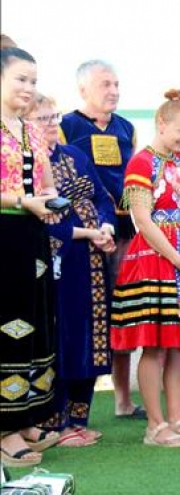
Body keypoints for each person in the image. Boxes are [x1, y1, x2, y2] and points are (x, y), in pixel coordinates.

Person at [110, 89, 180, 448]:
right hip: (155, 261)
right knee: (154, 345)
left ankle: (176, 417)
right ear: (161, 124)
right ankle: (155, 426)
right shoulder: (141, 163)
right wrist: (178, 258)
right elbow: (142, 220)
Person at [26, 93, 116, 447]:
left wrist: (106, 228)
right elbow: (43, 221)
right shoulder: (30, 165)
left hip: (93, 261)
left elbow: (102, 197)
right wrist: (88, 233)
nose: (52, 125)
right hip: (57, 262)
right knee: (60, 337)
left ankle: (79, 418)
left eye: (54, 117)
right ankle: (56, 424)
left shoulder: (76, 155)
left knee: (92, 336)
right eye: (43, 119)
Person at [59, 60, 142, 420]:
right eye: (105, 84)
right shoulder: (66, 126)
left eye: (117, 83)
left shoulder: (127, 128)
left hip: (125, 232)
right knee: (88, 317)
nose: (113, 90)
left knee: (122, 312)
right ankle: (70, 410)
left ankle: (123, 400)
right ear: (83, 90)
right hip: (82, 236)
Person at [0, 46, 61, 468]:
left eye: (33, 81)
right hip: (3, 235)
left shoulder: (32, 131)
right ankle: (3, 430)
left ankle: (26, 418)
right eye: (21, 79)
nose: (28, 88)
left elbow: (47, 181)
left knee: (35, 323)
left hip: (33, 235)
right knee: (6, 325)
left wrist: (51, 201)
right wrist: (24, 201)